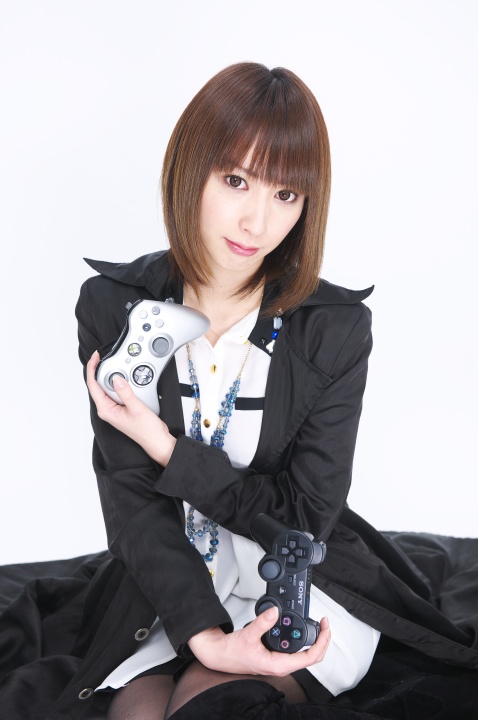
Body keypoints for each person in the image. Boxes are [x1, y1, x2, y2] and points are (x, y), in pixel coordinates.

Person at [70, 62, 477, 720]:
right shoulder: (114, 307)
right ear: (189, 170)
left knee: (214, 705)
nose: (256, 221)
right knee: (140, 713)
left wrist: (168, 449)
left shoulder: (334, 330)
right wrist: (205, 637)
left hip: (295, 575)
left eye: (286, 194)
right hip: (169, 580)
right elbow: (131, 503)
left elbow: (301, 517)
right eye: (236, 180)